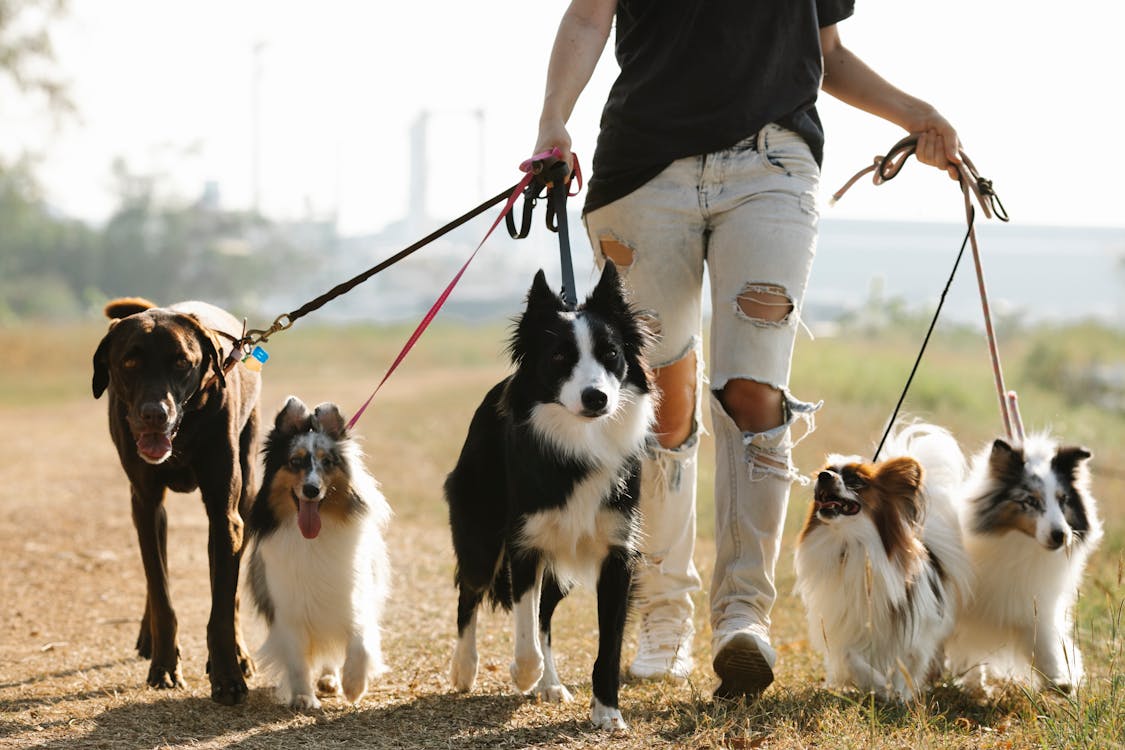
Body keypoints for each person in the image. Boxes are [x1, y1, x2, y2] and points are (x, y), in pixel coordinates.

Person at [532, 0, 962, 700]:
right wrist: (554, 119)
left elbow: (828, 51)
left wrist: (917, 113)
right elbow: (587, 16)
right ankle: (662, 614)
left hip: (772, 166)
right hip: (644, 170)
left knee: (754, 391)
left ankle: (742, 617)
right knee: (658, 402)